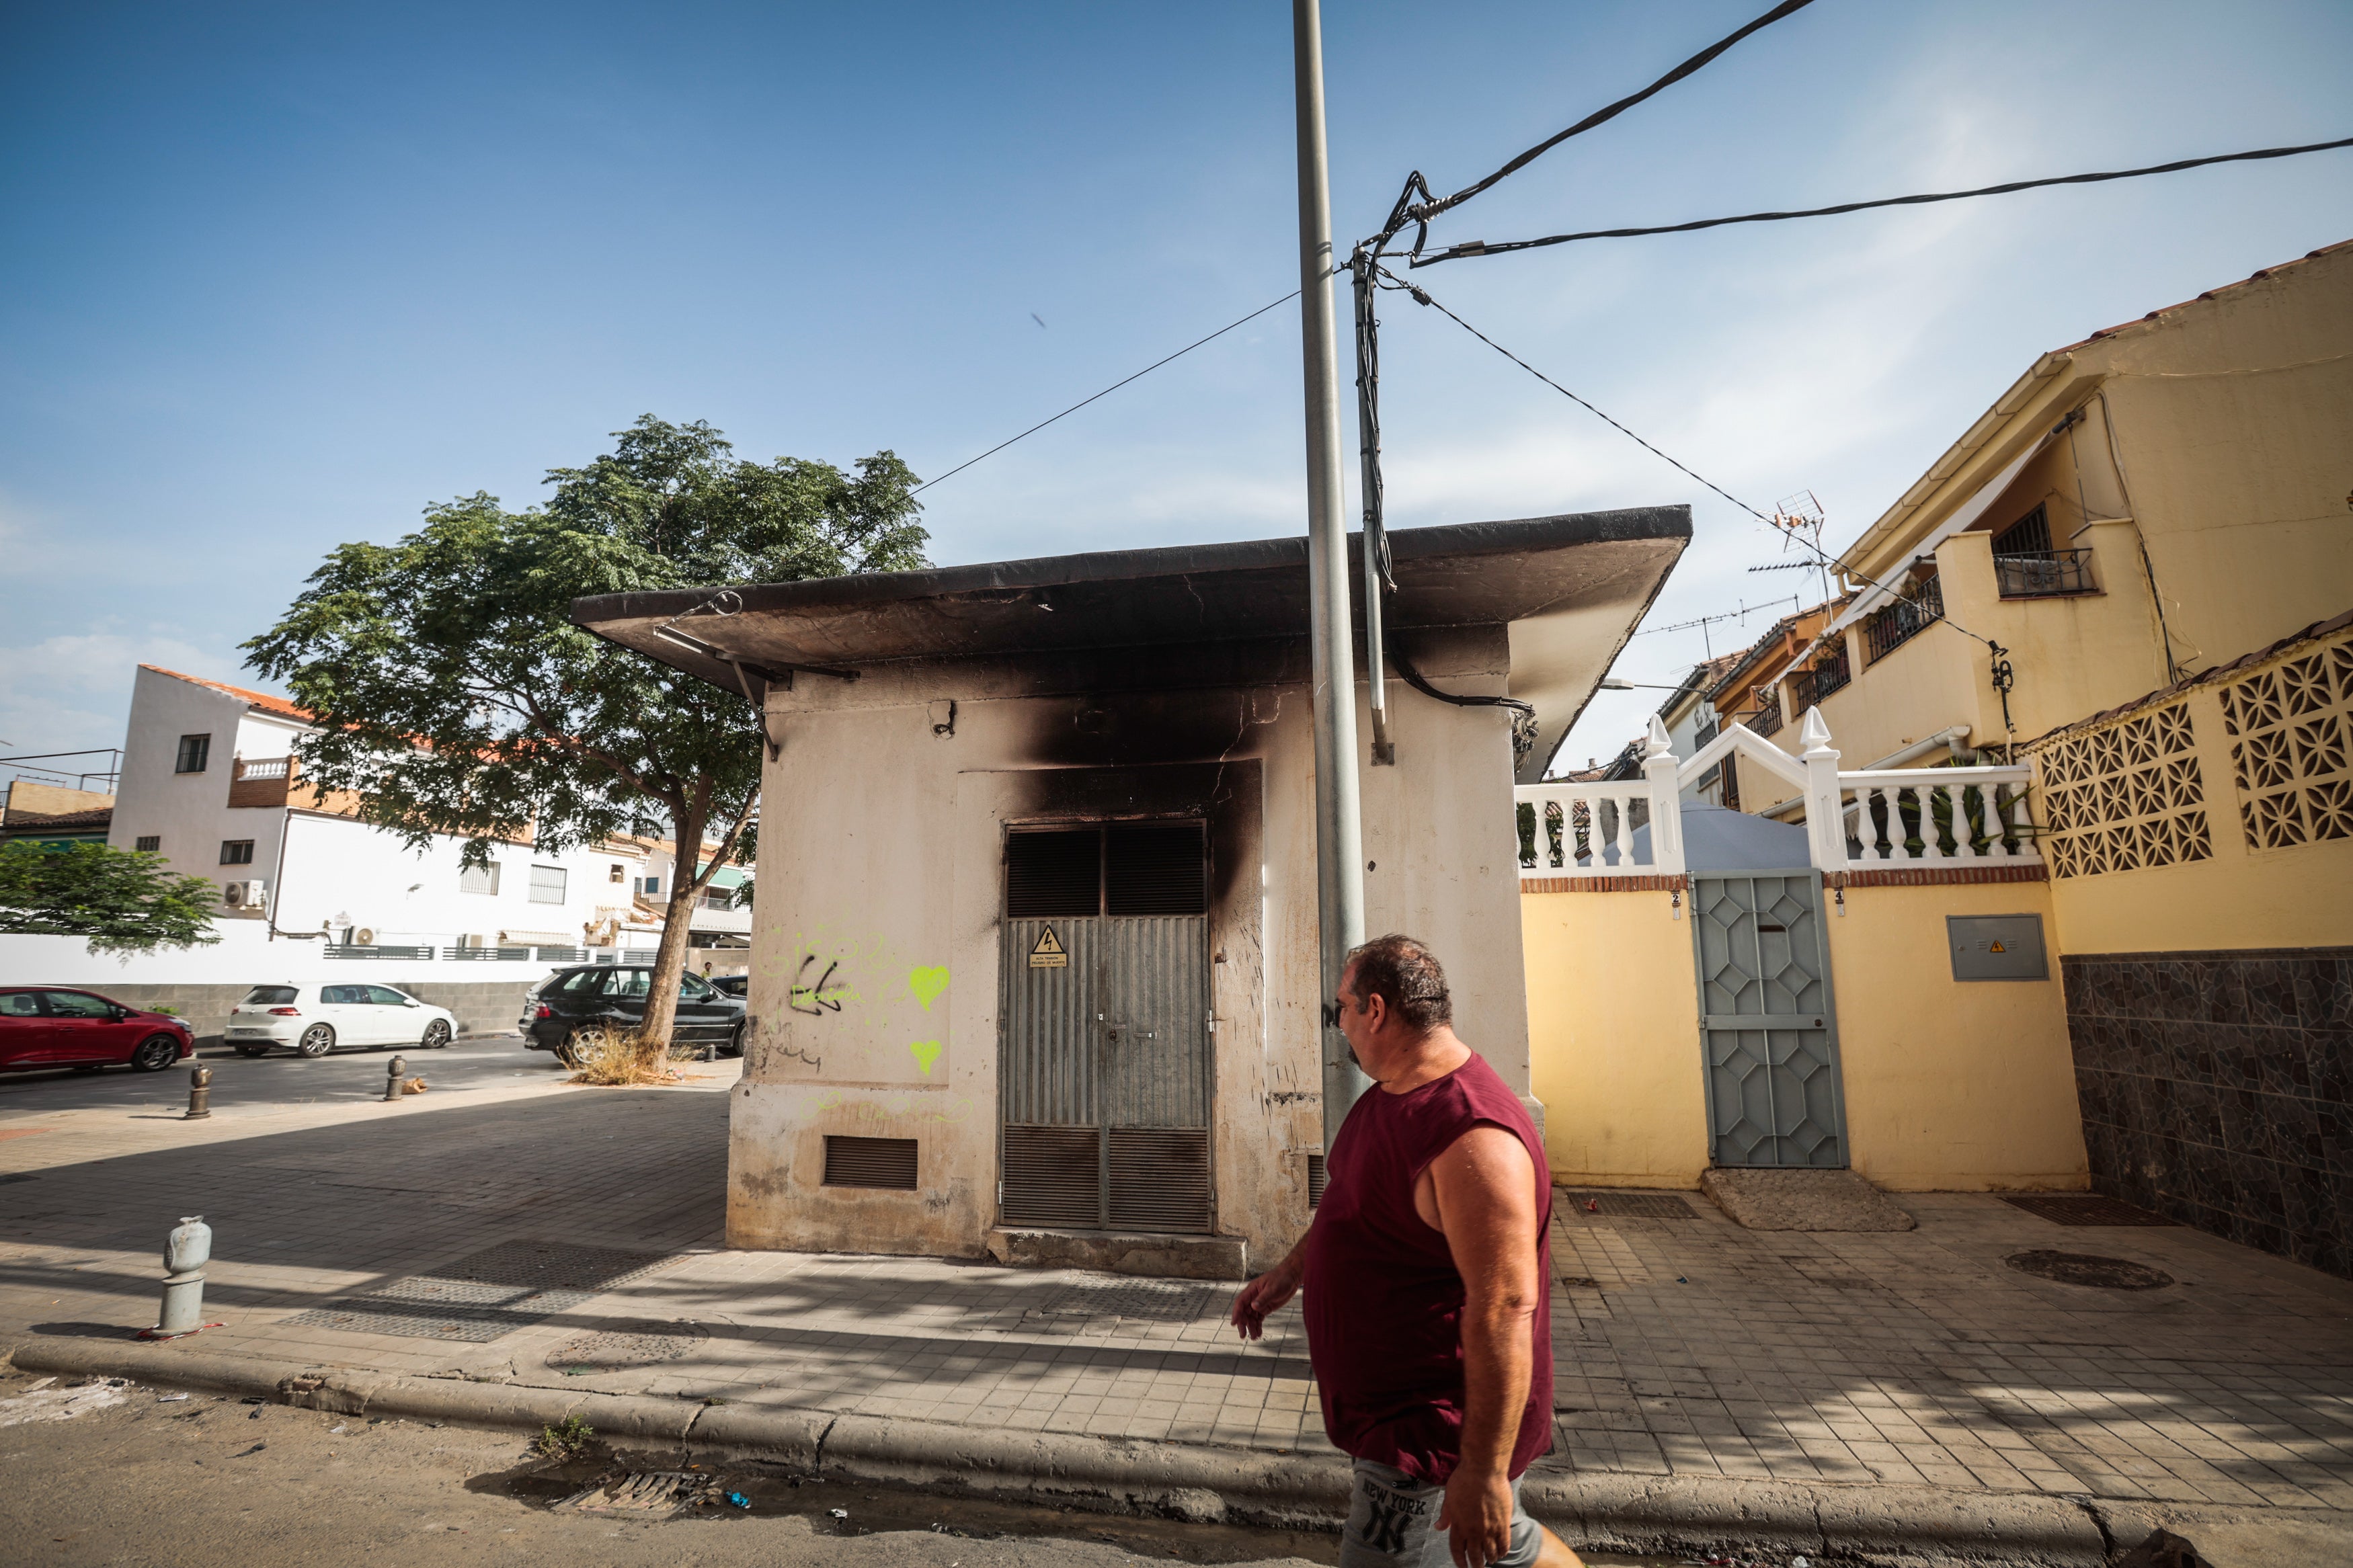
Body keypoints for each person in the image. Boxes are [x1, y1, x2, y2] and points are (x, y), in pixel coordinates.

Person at [1230, 936, 1579, 1568]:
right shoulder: (1391, 1092)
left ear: (1377, 1010)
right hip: (1403, 1420)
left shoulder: (1471, 1134)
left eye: (1341, 1007)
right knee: (1511, 1545)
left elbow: (1505, 1307)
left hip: (1431, 1433)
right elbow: (1357, 1210)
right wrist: (1290, 1273)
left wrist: (1484, 1469)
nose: (1338, 1024)